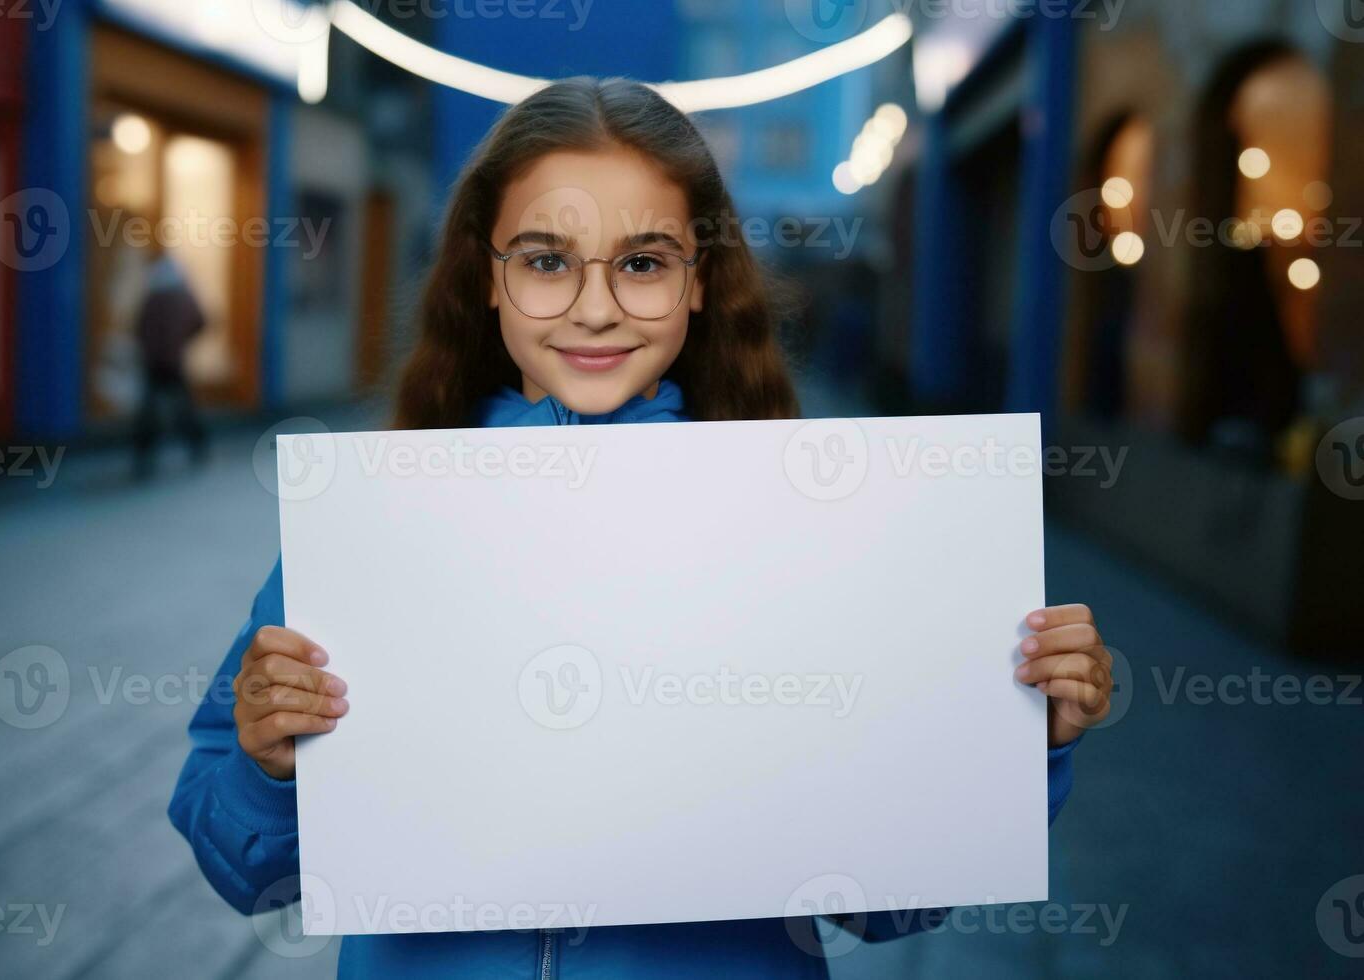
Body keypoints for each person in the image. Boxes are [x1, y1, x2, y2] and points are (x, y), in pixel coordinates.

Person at [168, 78, 1114, 978]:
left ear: (699, 281)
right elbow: (244, 869)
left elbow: (889, 903)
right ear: (485, 278)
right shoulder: (372, 530)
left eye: (644, 263)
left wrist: (1016, 743)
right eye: (545, 260)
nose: (594, 306)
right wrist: (264, 766)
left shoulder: (811, 532)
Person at [132, 251, 208, 479]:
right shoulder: (182, 296)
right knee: (182, 408)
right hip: (173, 362)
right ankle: (197, 446)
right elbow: (200, 321)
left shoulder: (151, 298)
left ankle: (144, 456)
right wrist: (182, 342)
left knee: (149, 412)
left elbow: (139, 327)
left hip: (153, 362)